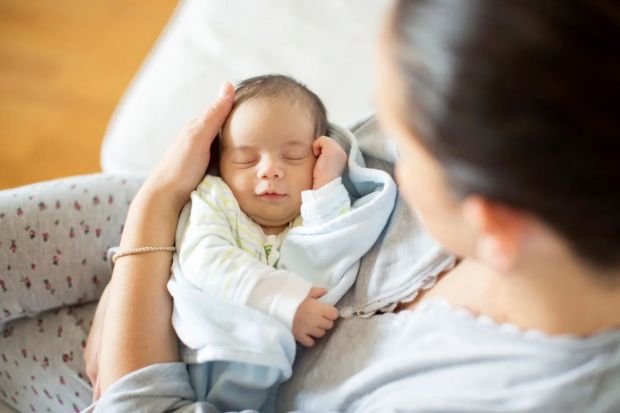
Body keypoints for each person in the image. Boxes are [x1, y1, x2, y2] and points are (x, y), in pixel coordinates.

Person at [84, 1, 620, 411]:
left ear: (494, 226)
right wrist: (149, 241)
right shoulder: (508, 138)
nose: (383, 151)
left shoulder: (486, 393)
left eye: (407, 147)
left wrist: (150, 223)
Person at [168, 74, 393, 410]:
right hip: (208, 353)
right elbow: (204, 258)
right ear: (219, 164)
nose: (270, 170)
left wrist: (327, 185)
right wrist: (284, 301)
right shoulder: (216, 199)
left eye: (293, 157)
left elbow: (330, 250)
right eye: (246, 159)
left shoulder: (313, 212)